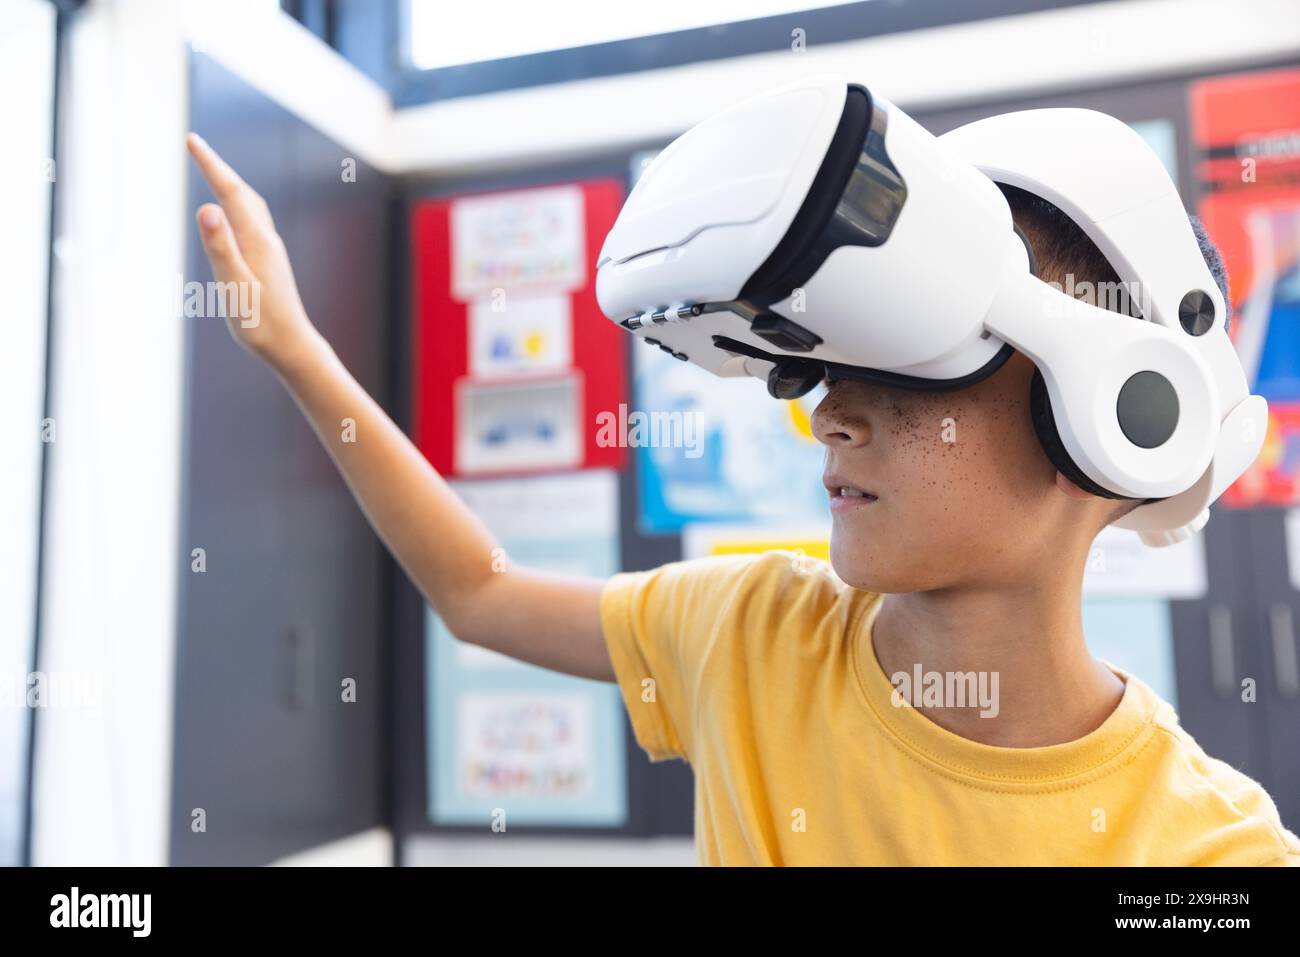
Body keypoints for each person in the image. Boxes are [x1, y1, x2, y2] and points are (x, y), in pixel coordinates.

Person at [185, 131, 1300, 866]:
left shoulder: (1206, 855)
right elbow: (482, 593)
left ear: (1116, 415)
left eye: (916, 371)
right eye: (830, 369)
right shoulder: (755, 631)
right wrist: (296, 350)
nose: (831, 416)